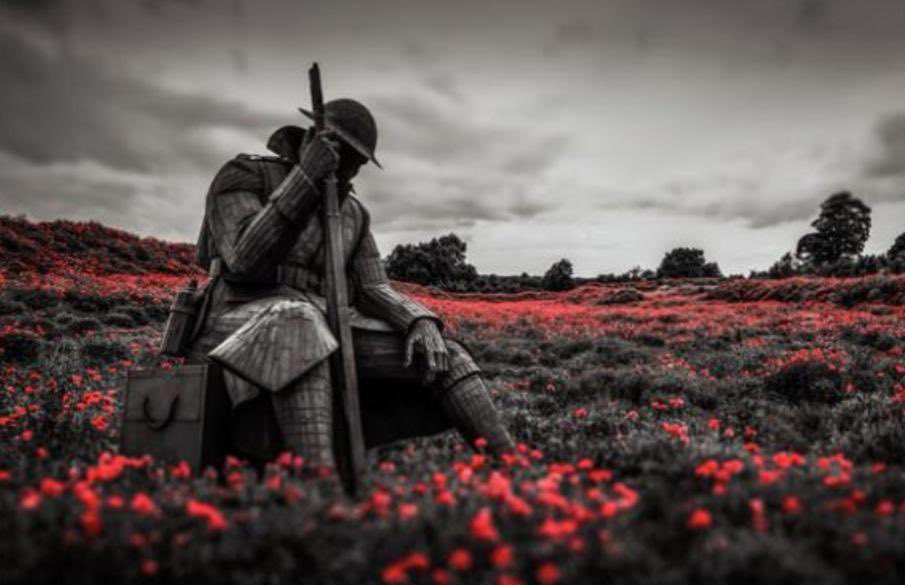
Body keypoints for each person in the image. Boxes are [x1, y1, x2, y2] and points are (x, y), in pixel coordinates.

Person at [186, 98, 514, 470]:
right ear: (313, 137)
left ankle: (518, 474)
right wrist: (305, 180)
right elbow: (244, 259)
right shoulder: (245, 174)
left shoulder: (353, 213)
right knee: (299, 323)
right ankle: (323, 490)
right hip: (234, 317)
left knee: (445, 356)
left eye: (357, 164)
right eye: (344, 156)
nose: (349, 173)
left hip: (322, 321)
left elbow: (374, 287)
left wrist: (419, 320)